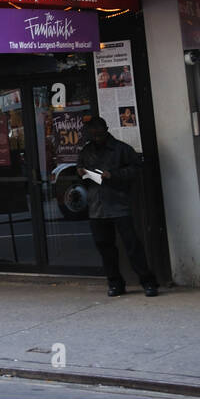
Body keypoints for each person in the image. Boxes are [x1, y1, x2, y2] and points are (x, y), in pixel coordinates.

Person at [78, 117, 159, 297]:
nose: (96, 137)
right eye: (92, 134)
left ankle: (147, 281)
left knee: (132, 245)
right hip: (97, 206)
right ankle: (115, 283)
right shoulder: (87, 150)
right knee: (105, 247)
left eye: (98, 134)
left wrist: (112, 175)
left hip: (118, 203)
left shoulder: (121, 149)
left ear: (105, 131)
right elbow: (80, 167)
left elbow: (137, 169)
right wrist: (81, 172)